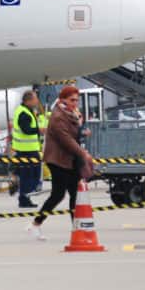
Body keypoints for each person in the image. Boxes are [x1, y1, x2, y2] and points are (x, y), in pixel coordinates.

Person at [27, 86, 93, 241]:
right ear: (62, 99)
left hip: (69, 160)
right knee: (58, 195)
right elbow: (66, 140)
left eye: (77, 100)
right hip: (58, 160)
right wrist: (84, 153)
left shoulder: (73, 113)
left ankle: (77, 230)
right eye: (72, 100)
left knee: (75, 196)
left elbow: (74, 134)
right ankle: (36, 224)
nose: (75, 103)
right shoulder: (58, 116)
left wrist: (83, 132)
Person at [12, 90, 44, 207]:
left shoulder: (27, 111)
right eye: (35, 99)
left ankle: (25, 198)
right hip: (26, 151)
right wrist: (39, 130)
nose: (37, 101)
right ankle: (24, 199)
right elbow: (26, 130)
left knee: (31, 175)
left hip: (29, 149)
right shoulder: (24, 113)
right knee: (29, 176)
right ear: (28, 101)